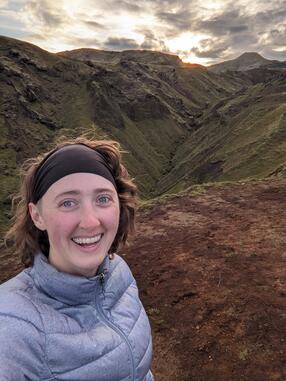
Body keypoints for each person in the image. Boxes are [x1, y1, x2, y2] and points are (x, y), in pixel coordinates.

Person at [0, 136, 154, 381]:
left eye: (103, 198)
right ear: (37, 215)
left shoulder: (119, 272)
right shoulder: (12, 327)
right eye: (68, 202)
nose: (91, 221)